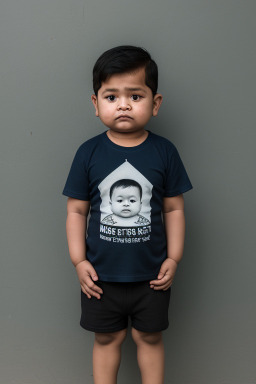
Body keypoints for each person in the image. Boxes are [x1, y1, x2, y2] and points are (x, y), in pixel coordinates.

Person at [63, 45, 192, 384]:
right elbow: (76, 211)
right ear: (96, 103)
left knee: (149, 338)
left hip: (152, 277)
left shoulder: (164, 152)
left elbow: (174, 207)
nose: (123, 104)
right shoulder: (88, 153)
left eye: (135, 96)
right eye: (111, 96)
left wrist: (174, 258)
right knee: (106, 339)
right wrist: (79, 261)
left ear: (155, 102)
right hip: (100, 279)